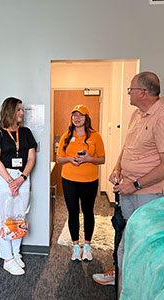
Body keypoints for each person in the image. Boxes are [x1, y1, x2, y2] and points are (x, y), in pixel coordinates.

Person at [109, 72, 164, 296]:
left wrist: (136, 185)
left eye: (130, 89)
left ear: (143, 92)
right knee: (127, 240)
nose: (128, 93)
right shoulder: (137, 115)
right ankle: (124, 287)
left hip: (148, 194)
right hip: (129, 190)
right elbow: (128, 147)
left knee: (144, 247)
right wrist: (118, 168)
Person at [0, 97, 37, 275]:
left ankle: (16, 253)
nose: (22, 113)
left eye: (22, 109)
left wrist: (21, 178)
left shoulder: (26, 133)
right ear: (9, 111)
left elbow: (31, 158)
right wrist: (10, 181)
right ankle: (7, 258)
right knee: (5, 218)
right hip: (4, 178)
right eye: (18, 110)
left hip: (23, 177)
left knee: (19, 217)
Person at [56, 104, 105, 261]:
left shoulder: (95, 136)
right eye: (74, 115)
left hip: (89, 181)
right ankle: (76, 247)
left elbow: (102, 159)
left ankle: (88, 246)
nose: (77, 118)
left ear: (86, 118)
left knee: (88, 211)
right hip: (69, 180)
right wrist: (70, 159)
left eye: (81, 115)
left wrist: (89, 159)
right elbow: (58, 159)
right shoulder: (66, 136)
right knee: (73, 212)